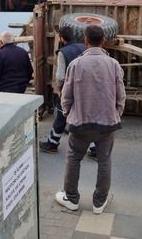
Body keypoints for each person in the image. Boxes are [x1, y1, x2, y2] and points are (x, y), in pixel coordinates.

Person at [55, 25, 126, 215]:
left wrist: (69, 114)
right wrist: (116, 114)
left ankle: (71, 199)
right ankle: (99, 203)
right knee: (104, 161)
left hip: (80, 124)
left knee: (73, 159)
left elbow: (66, 97)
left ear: (85, 42)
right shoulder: (114, 65)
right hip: (107, 124)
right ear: (103, 41)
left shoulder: (76, 65)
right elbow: (121, 97)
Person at [39, 26, 86, 153]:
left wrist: (60, 89)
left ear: (61, 38)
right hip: (85, 89)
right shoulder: (84, 48)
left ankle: (52, 144)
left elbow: (60, 76)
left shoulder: (63, 52)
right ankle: (94, 149)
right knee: (85, 118)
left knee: (61, 116)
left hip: (69, 89)